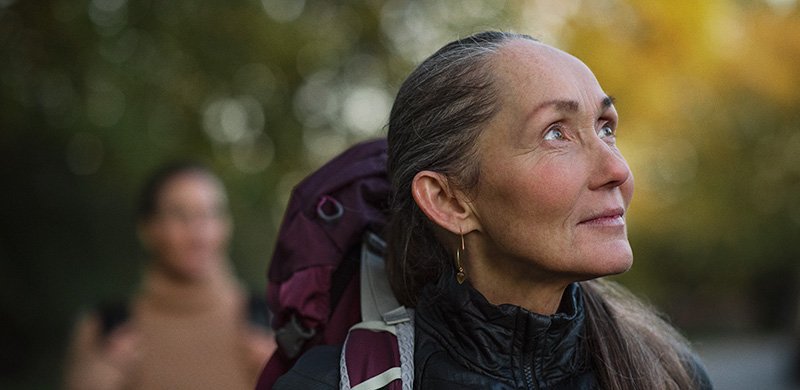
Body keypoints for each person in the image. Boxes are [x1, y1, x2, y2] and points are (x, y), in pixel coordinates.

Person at [275, 31, 712, 389]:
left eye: (605, 128)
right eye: (555, 133)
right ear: (448, 201)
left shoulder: (668, 373)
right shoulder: (326, 385)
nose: (618, 169)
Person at [63, 162, 275, 390]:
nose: (198, 233)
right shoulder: (105, 330)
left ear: (227, 225)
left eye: (210, 214)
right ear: (148, 229)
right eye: (180, 215)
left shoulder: (275, 323)